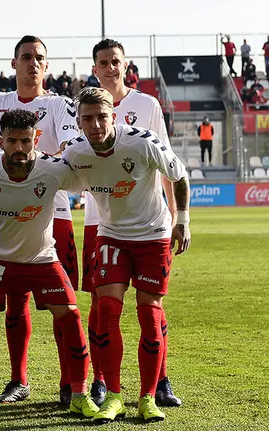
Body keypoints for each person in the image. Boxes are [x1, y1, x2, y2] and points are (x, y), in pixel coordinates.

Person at [0, 109, 97, 421]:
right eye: (13, 141)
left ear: (37, 139)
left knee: (71, 318)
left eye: (26, 141)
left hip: (42, 258)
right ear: (1, 140)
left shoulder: (53, 169)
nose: (19, 147)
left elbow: (89, 177)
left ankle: (79, 394)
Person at [62, 86, 191, 424]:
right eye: (87, 119)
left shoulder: (141, 141)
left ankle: (148, 397)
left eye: (101, 117)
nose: (95, 125)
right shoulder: (74, 153)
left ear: (113, 116)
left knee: (149, 314)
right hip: (111, 236)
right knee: (106, 311)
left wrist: (183, 221)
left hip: (153, 235)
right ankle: (115, 395)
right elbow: (53, 178)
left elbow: (178, 173)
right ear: (79, 122)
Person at [0, 35, 81, 405]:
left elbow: (68, 150)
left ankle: (70, 383)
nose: (32, 63)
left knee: (59, 306)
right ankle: (18, 381)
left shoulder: (60, 105)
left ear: (46, 66)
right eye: (25, 57)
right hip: (5, 217)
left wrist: (35, 166)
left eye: (39, 58)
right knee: (14, 304)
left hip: (54, 214)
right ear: (13, 64)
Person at [84, 38, 180, 408]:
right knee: (102, 304)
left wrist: (175, 215)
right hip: (100, 220)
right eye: (103, 62)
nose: (110, 67)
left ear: (126, 65)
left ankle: (159, 380)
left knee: (151, 303)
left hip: (147, 220)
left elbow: (168, 164)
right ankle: (102, 381)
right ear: (95, 68)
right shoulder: (85, 106)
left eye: (116, 62)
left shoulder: (147, 104)